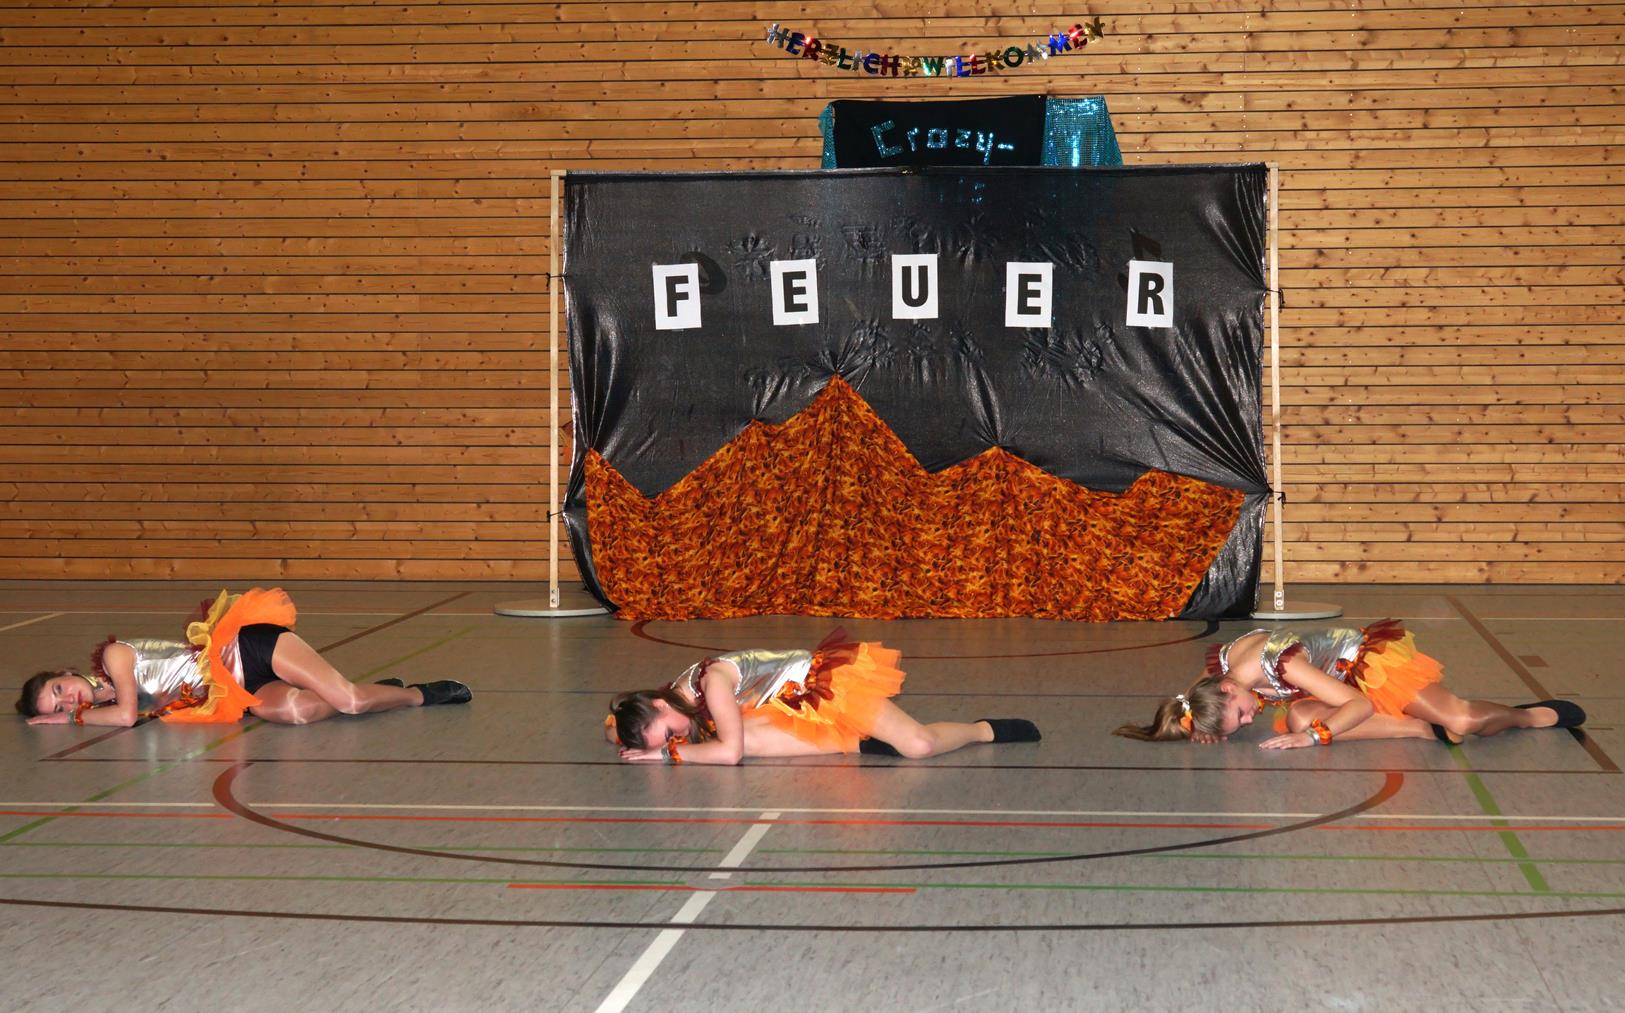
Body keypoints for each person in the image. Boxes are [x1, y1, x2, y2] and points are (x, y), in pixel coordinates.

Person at [16, 587, 471, 727]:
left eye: (60, 690)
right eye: (59, 704)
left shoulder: (115, 656)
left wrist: (68, 720)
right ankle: (378, 692)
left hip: (248, 646)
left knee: (349, 703)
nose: (69, 700)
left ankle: (416, 694)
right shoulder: (113, 698)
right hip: (239, 688)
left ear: (68, 672)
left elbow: (127, 717)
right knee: (295, 712)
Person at [1114, 618, 1585, 749]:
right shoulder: (1220, 672)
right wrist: (1197, 725)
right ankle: (1422, 728)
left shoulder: (1281, 665)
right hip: (1328, 684)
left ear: (1229, 690)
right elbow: (1191, 695)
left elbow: (1358, 705)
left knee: (1462, 719)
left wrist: (1313, 738)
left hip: (1367, 668)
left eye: (1241, 713)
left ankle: (1528, 716)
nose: (1250, 717)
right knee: (1297, 715)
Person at [607, 629, 1040, 764]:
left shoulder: (712, 685)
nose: (677, 739)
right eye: (669, 741)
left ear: (660, 706)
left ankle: (983, 730)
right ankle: (859, 742)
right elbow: (612, 725)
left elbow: (731, 754)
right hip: (787, 706)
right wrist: (624, 736)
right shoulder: (667, 700)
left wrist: (666, 756)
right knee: (741, 735)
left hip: (825, 689)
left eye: (669, 733)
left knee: (919, 745)